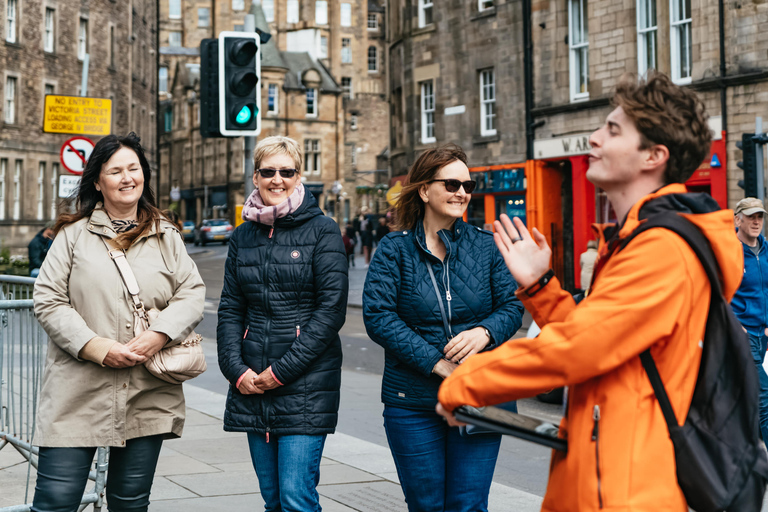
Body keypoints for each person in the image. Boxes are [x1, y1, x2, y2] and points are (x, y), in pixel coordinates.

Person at [437, 73, 743, 511]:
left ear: (654, 156)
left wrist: (466, 382)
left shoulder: (663, 249)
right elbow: (605, 343)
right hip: (601, 475)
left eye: (613, 130)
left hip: (625, 490)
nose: (594, 137)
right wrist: (541, 289)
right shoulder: (636, 238)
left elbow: (578, 349)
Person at [32, 133, 205, 512]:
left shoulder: (167, 235)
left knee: (130, 502)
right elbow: (48, 299)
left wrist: (159, 335)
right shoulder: (72, 236)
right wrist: (98, 348)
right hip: (76, 390)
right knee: (55, 502)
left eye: (134, 168)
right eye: (115, 171)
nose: (127, 178)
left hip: (147, 389)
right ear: (98, 181)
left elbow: (192, 294)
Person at [363, 143, 524, 512]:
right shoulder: (394, 250)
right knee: (427, 504)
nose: (462, 193)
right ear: (424, 190)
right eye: (451, 184)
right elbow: (379, 317)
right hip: (413, 402)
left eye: (468, 185)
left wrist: (484, 332)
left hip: (480, 394)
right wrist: (439, 363)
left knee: (469, 505)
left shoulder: (487, 247)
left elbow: (513, 305)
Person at [217, 135, 348, 512]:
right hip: (251, 383)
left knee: (296, 499)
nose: (278, 179)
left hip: (305, 384)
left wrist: (281, 372)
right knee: (273, 500)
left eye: (286, 172)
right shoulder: (243, 236)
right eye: (268, 172)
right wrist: (235, 370)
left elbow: (330, 312)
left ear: (299, 175)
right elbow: (230, 308)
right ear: (255, 177)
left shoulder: (323, 230)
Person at [731, 197, 768, 442]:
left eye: (760, 216)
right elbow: (716, 293)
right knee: (764, 398)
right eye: (751, 216)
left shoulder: (766, 250)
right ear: (738, 219)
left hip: (765, 336)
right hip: (746, 335)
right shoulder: (728, 251)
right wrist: (737, 327)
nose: (756, 221)